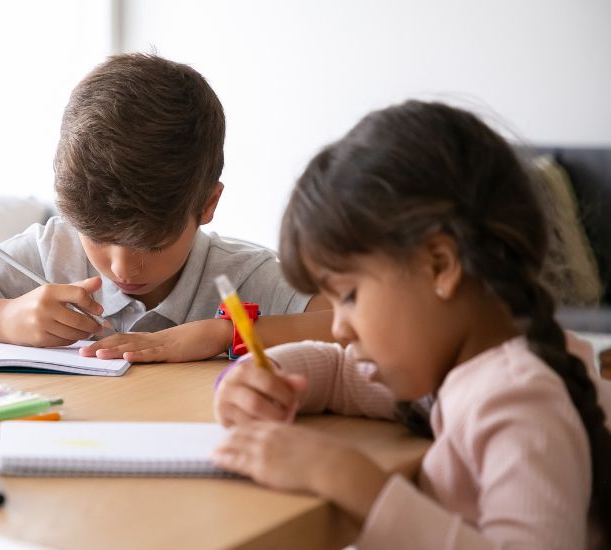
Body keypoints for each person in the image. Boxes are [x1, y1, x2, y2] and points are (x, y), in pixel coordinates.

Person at [211, 100, 611, 549]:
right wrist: (267, 376)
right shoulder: (459, 370)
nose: (339, 327)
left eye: (349, 295)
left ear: (439, 265)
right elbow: (344, 373)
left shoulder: (517, 400)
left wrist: (350, 480)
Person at [0, 53, 331, 362]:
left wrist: (222, 335)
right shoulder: (48, 254)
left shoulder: (243, 276)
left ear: (207, 205)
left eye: (152, 243)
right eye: (97, 236)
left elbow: (359, 329)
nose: (122, 268)